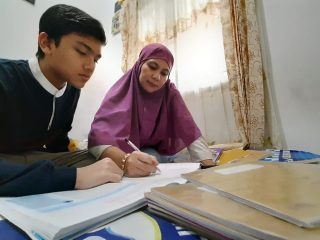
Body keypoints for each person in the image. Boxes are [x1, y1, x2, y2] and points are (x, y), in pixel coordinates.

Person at [0, 4, 158, 197]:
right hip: (8, 162)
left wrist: (124, 160)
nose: (90, 66)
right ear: (46, 43)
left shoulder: (72, 88)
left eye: (96, 59)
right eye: (82, 52)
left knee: (104, 163)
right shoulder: (5, 77)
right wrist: (75, 178)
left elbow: (58, 145)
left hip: (37, 161)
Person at [88, 43, 215, 173]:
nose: (157, 77)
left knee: (155, 158)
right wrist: (125, 160)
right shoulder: (121, 92)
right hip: (123, 151)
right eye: (152, 67)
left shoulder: (169, 92)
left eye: (164, 73)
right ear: (140, 64)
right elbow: (98, 138)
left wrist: (208, 166)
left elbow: (189, 129)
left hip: (151, 151)